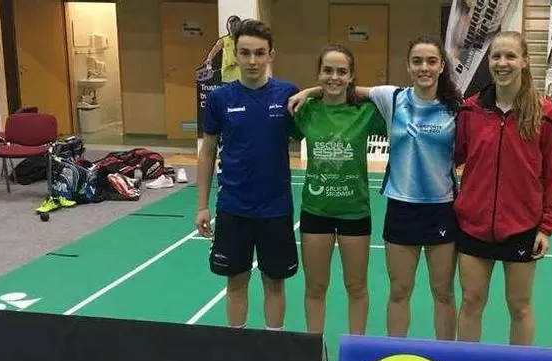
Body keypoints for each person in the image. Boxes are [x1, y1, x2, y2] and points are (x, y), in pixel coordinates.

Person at [289, 35, 462, 341]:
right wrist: (309, 91)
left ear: (442, 66)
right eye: (417, 61)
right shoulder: (393, 98)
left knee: (443, 292)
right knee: (398, 290)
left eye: (431, 61)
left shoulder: (456, 108)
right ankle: (388, 356)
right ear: (407, 66)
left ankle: (445, 357)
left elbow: (345, 89)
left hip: (439, 210)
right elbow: (342, 88)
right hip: (397, 208)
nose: (424, 67)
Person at [453, 31, 552, 346]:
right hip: (473, 225)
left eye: (510, 56)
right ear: (489, 61)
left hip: (522, 227)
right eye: (496, 56)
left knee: (519, 306)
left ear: (525, 61)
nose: (502, 63)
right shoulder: (471, 109)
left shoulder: (545, 112)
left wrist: (546, 226)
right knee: (471, 302)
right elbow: (454, 155)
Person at [196, 19, 300, 331]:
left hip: (275, 208)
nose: (252, 60)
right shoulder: (220, 99)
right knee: (236, 282)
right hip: (233, 207)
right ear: (236, 55)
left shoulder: (288, 93)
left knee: (275, 283)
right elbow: (207, 151)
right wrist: (202, 206)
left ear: (271, 55)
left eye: (259, 53)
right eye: (245, 53)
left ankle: (273, 344)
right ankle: (236, 347)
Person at [292, 44, 387, 335]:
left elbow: (398, 98)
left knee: (356, 287)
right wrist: (310, 94)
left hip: (354, 212)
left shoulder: (366, 112)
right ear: (319, 73)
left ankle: (355, 348)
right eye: (328, 71)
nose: (334, 77)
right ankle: (313, 349)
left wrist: (312, 89)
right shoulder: (305, 110)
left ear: (352, 76)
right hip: (315, 211)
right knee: (315, 287)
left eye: (342, 72)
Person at [201, 15, 242, 83]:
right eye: (231, 25)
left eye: (235, 25)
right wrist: (209, 60)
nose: (233, 28)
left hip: (240, 73)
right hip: (228, 74)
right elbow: (214, 50)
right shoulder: (223, 40)